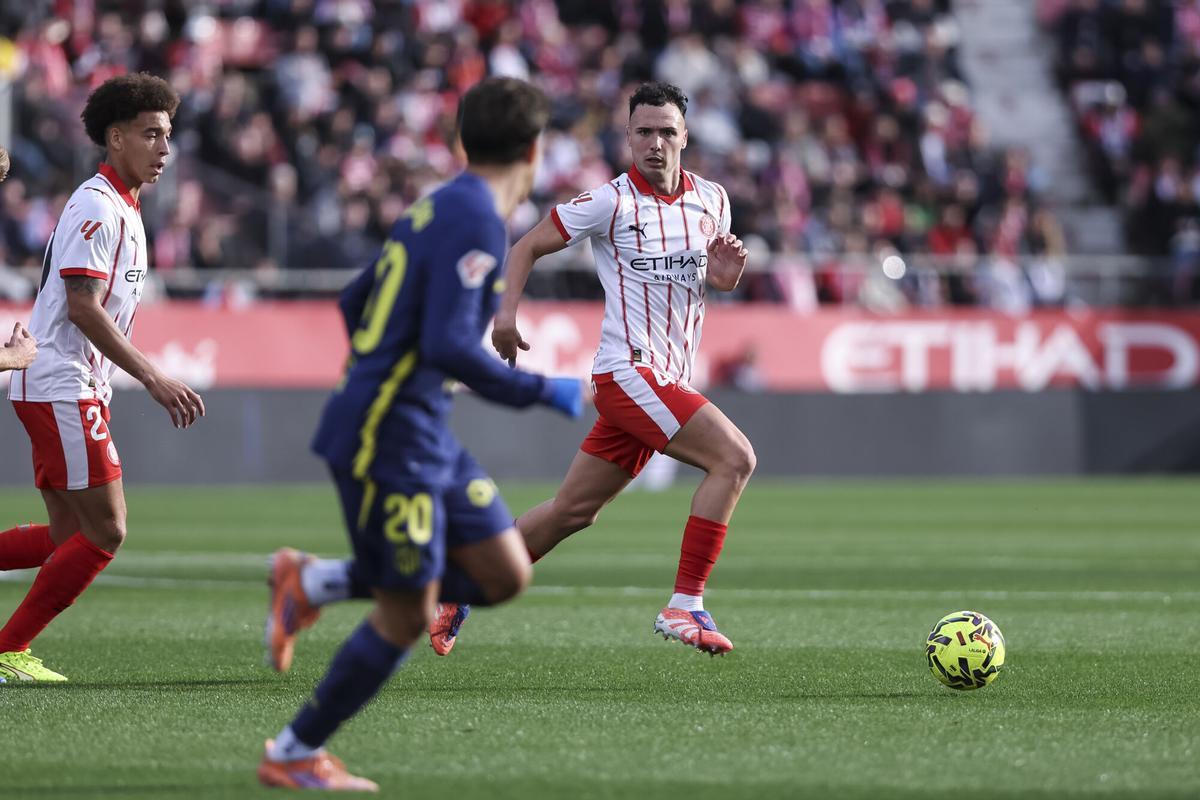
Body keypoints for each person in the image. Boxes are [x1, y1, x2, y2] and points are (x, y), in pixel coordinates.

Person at [257, 76, 583, 791]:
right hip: (389, 437)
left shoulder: (439, 205)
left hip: (415, 426)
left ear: (463, 140)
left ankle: (311, 580)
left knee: (503, 573)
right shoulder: (475, 220)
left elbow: (355, 298)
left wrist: (380, 369)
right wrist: (543, 390)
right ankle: (292, 752)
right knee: (405, 616)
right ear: (535, 149)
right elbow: (446, 345)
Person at [441, 81, 755, 656]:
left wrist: (726, 276)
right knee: (735, 459)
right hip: (628, 373)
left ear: (685, 135)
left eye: (666, 131)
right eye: (643, 132)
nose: (655, 143)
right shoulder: (610, 202)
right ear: (627, 137)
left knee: (572, 512)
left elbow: (711, 283)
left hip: (668, 378)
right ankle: (685, 605)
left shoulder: (713, 200)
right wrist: (505, 315)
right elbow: (525, 247)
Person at [0, 73, 204, 683]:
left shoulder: (125, 206)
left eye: (167, 135)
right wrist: (154, 376)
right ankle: (8, 649)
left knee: (68, 533)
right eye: (150, 135)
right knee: (107, 529)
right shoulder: (97, 204)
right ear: (115, 139)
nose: (164, 149)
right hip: (62, 381)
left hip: (67, 382)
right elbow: (83, 306)